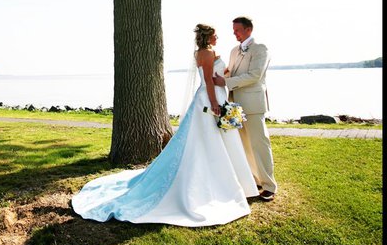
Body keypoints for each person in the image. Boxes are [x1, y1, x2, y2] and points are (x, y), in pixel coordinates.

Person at [71, 24, 259, 227]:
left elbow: (218, 74)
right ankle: (215, 183)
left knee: (221, 138)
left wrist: (226, 76)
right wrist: (214, 103)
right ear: (208, 37)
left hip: (218, 96)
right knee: (205, 140)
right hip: (209, 99)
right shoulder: (206, 52)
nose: (218, 37)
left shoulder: (208, 52)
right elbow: (207, 80)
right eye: (215, 35)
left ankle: (234, 181)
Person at [213, 16, 277, 201]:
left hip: (254, 104)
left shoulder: (260, 49)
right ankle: (255, 180)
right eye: (234, 31)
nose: (235, 34)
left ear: (249, 29)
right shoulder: (234, 51)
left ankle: (269, 185)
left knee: (260, 144)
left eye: (238, 31)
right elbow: (231, 71)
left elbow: (254, 75)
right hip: (236, 106)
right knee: (245, 145)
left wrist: (226, 82)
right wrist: (215, 69)